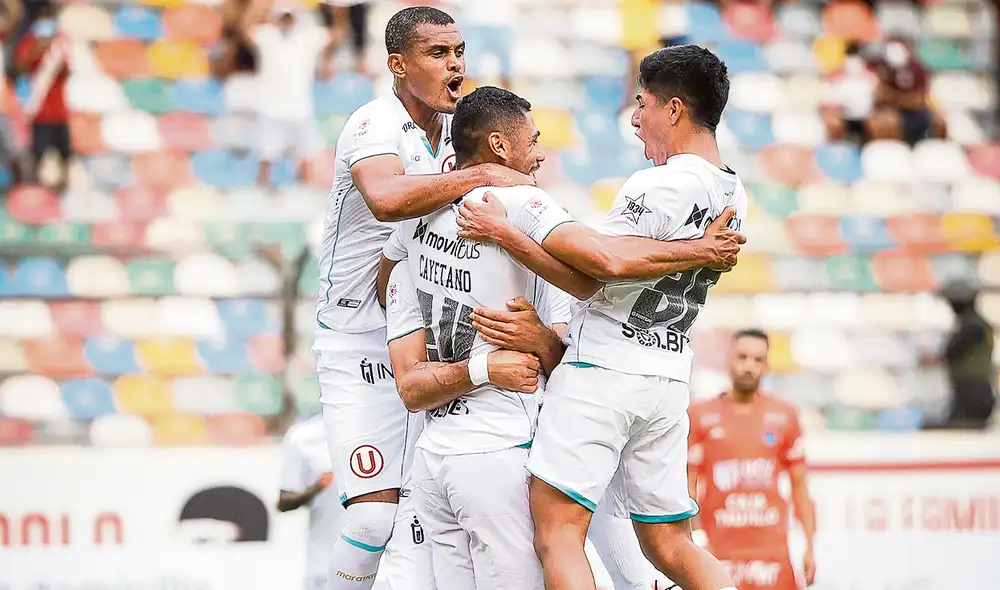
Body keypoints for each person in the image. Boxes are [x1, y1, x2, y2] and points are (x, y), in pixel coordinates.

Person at [379, 85, 709, 590]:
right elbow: (599, 268)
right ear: (498, 146)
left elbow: (387, 281)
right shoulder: (524, 204)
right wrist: (700, 249)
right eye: (532, 140)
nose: (540, 153)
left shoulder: (419, 216)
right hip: (505, 449)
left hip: (436, 454)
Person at [455, 45, 746, 590]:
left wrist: (504, 234)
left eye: (642, 104)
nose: (635, 118)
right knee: (670, 543)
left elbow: (602, 267)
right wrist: (701, 250)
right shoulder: (734, 189)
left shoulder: (658, 183)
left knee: (558, 531)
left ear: (674, 110)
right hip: (666, 379)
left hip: (605, 373)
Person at [314, 7, 532, 589]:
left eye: (459, 51)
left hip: (423, 343)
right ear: (396, 64)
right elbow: (386, 198)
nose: (456, 64)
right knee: (372, 520)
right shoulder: (373, 125)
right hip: (357, 343)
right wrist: (482, 175)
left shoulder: (451, 134)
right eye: (438, 53)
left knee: (424, 530)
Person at [688, 329, 817, 590]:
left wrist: (810, 547)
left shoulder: (785, 415)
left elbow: (800, 486)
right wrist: (694, 541)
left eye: (758, 360)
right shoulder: (699, 415)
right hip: (718, 554)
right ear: (728, 359)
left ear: (767, 365)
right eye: (743, 357)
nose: (749, 366)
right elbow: (688, 487)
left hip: (772, 557)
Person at [242, 6, 333, 186]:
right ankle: (260, 194)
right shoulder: (268, 35)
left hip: (301, 108)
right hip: (271, 108)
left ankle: (306, 192)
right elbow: (245, 30)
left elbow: (335, 34)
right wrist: (256, 7)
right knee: (266, 156)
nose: (286, 21)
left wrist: (338, 10)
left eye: (289, 17)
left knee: (307, 155)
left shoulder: (308, 37)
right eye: (283, 17)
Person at [277, 414, 345, 590]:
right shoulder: (304, 436)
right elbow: (283, 502)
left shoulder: (382, 427)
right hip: (325, 566)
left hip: (381, 566)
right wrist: (315, 488)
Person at [920, 281, 996, 429]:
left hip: (972, 390)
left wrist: (930, 358)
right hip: (973, 390)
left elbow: (951, 351)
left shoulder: (972, 325)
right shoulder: (975, 323)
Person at [14, 3, 70, 194]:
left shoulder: (60, 44)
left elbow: (67, 70)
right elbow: (20, 67)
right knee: (36, 159)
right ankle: (35, 194)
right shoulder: (29, 42)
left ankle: (60, 194)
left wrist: (53, 53)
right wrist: (38, 49)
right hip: (39, 114)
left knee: (66, 159)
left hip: (60, 114)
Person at [871, 35, 946, 146]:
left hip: (917, 113)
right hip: (892, 111)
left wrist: (894, 98)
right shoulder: (881, 66)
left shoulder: (918, 68)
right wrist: (901, 99)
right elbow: (880, 97)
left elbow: (920, 100)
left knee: (940, 123)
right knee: (887, 121)